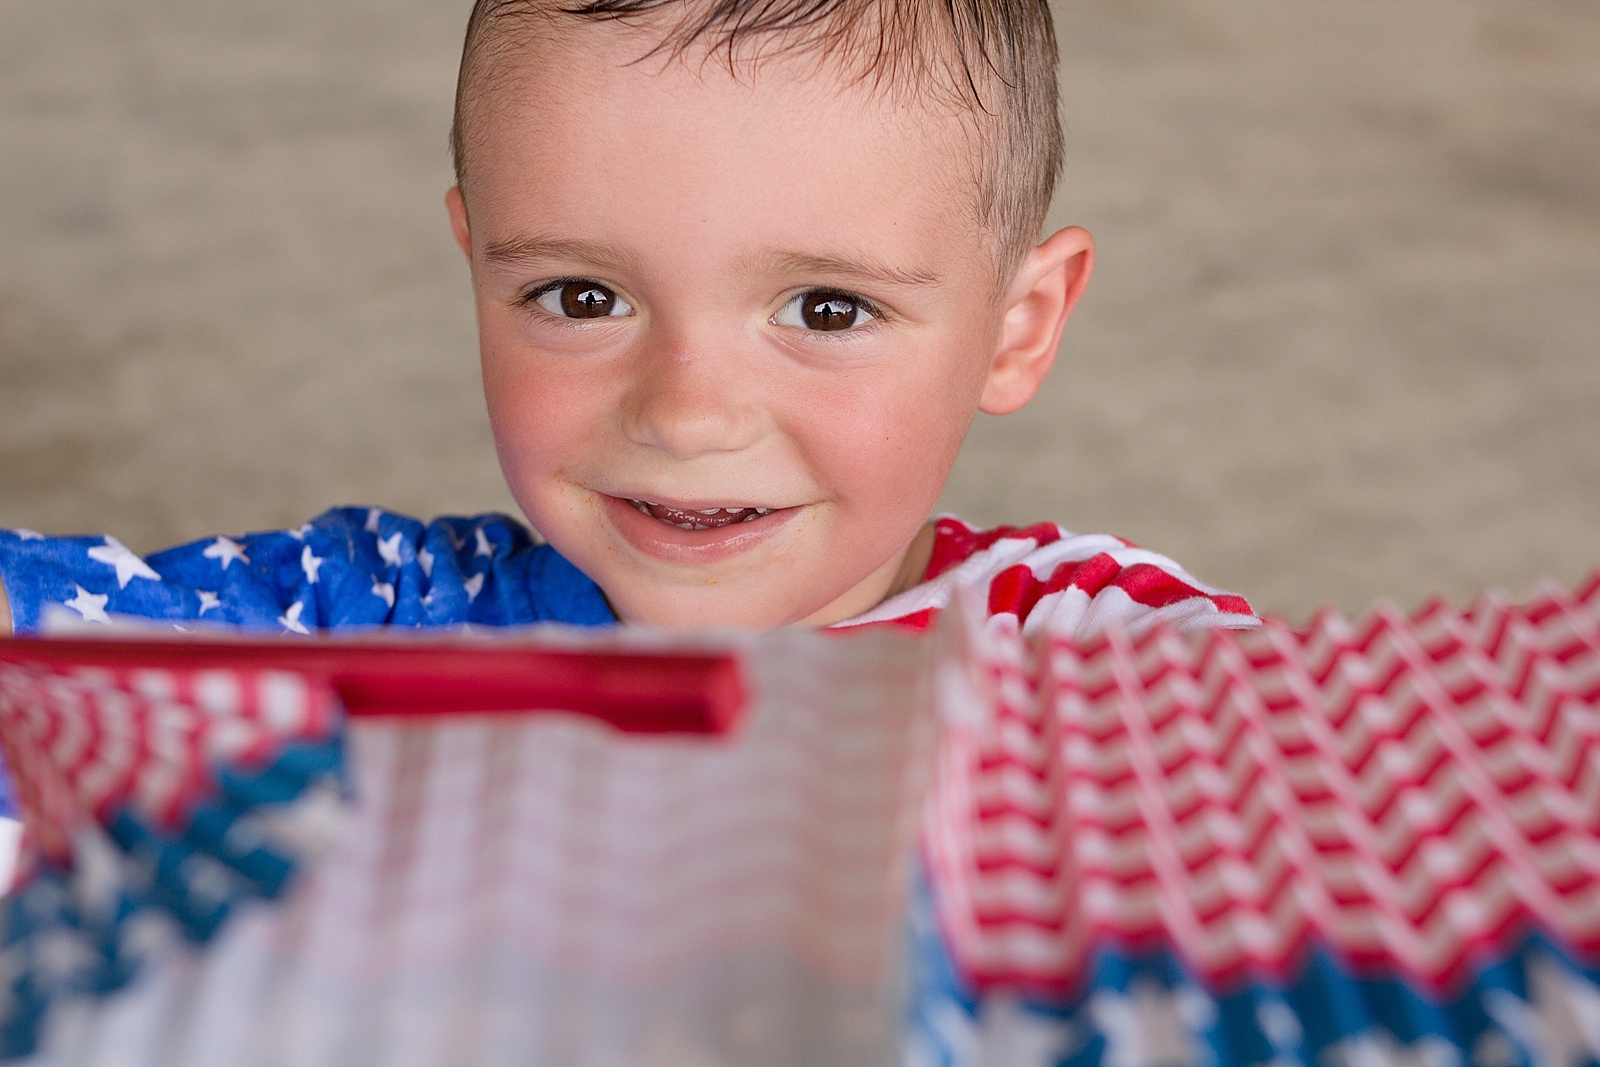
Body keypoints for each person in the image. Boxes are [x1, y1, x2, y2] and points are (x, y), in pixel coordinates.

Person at [0, 0, 1256, 1059]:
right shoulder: (375, 622)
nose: (689, 413)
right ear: (476, 265)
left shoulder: (1108, 665)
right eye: (579, 295)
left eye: (825, 308)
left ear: (1017, 325)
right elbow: (49, 657)